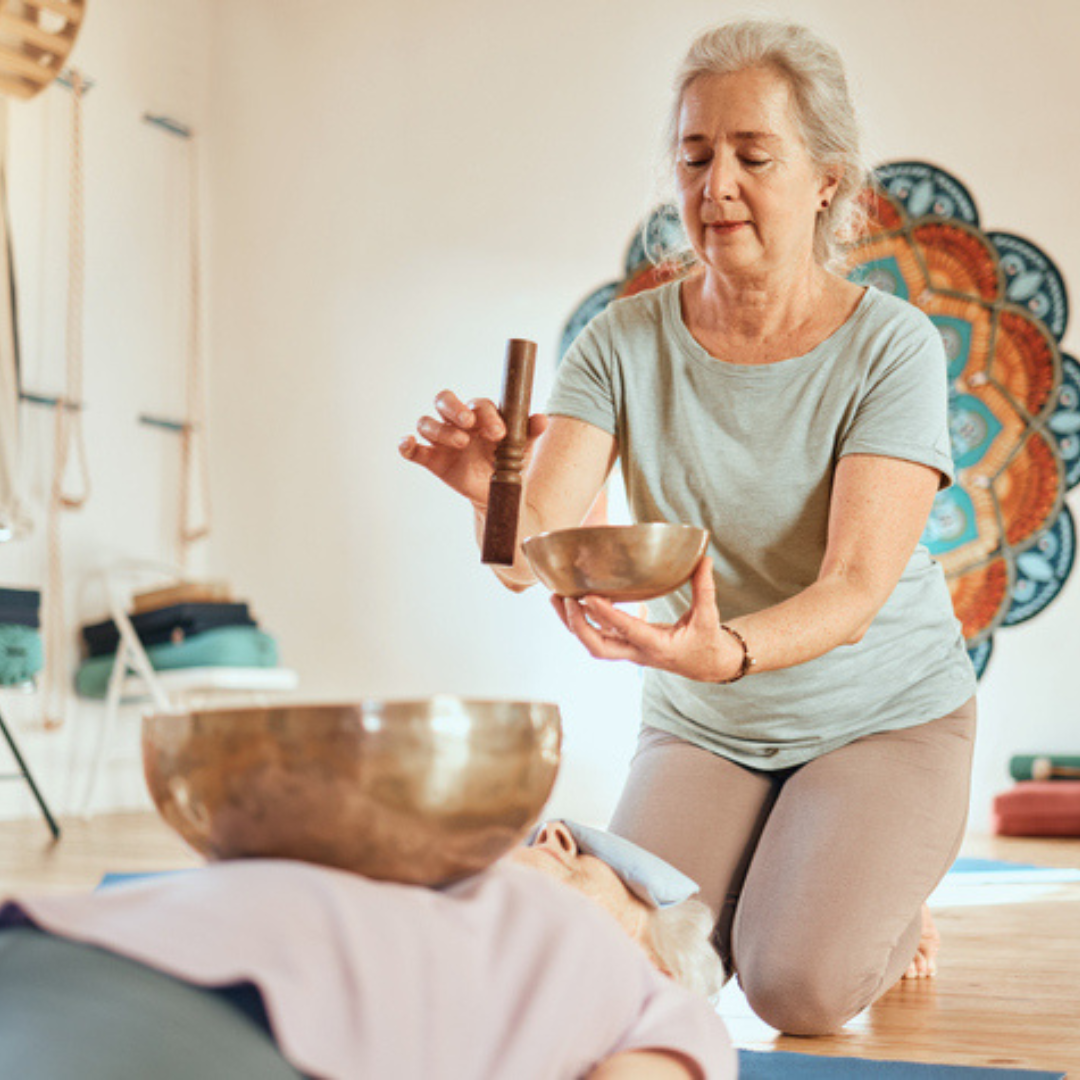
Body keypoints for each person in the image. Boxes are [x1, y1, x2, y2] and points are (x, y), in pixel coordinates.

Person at [400, 18, 977, 1037]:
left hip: (882, 715)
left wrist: (728, 650)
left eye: (754, 156)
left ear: (826, 181)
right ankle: (812, 864)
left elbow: (853, 590)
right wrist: (489, 494)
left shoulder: (892, 348)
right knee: (634, 963)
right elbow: (533, 555)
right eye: (697, 155)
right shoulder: (622, 341)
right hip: (706, 722)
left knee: (794, 987)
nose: (718, 187)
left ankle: (881, 887)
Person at [0, 822, 734, 1080]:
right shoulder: (390, 865)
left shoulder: (657, 998)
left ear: (662, 964)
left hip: (230, 1035)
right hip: (55, 946)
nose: (551, 839)